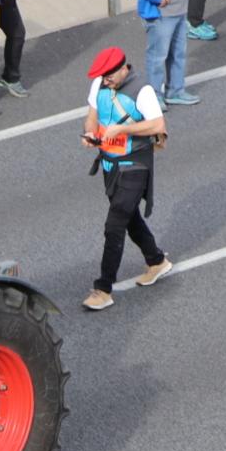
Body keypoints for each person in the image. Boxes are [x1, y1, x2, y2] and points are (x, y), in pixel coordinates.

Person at [80, 48, 173, 313]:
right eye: (103, 79)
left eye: (109, 78)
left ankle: (103, 288)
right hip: (110, 163)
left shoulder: (142, 91)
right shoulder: (100, 82)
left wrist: (123, 128)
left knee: (115, 223)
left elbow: (157, 125)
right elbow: (92, 113)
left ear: (123, 69)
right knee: (128, 216)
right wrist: (88, 133)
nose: (105, 82)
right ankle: (156, 260)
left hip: (135, 163)